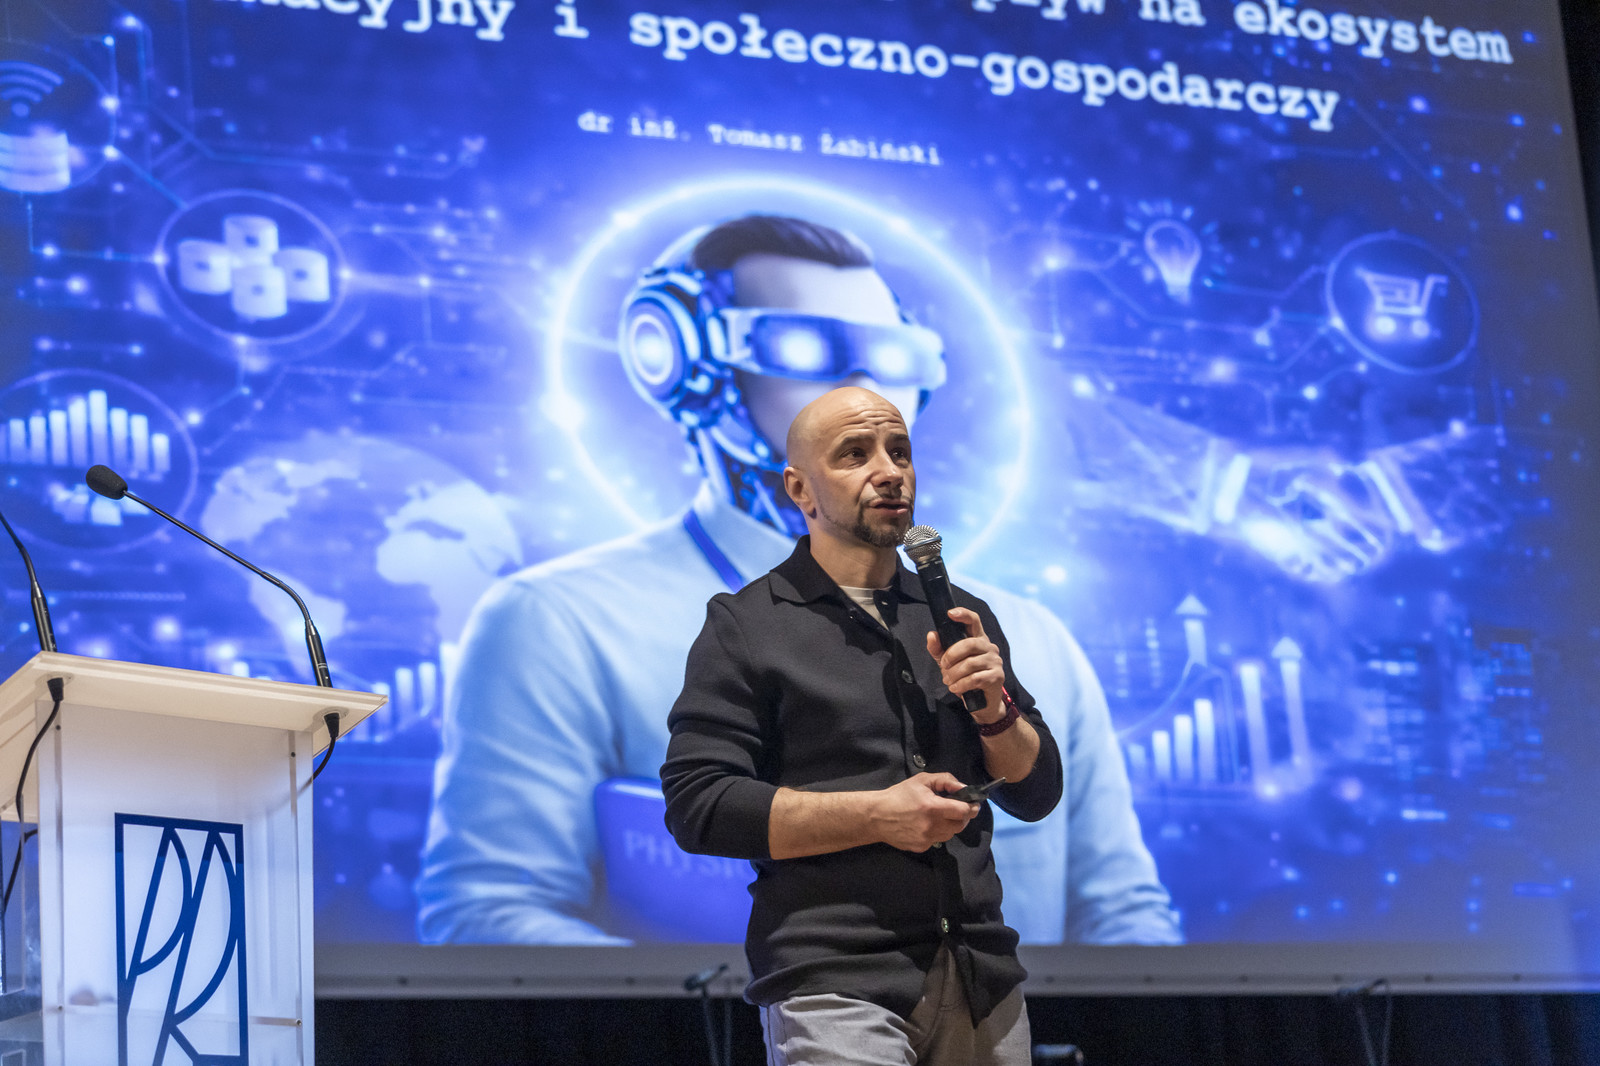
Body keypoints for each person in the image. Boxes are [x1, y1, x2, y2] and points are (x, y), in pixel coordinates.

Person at [416, 213, 1179, 946]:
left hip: (984, 1002)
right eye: (806, 345)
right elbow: (488, 912)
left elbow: (1124, 916)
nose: (865, 387)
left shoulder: (1026, 635)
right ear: (688, 366)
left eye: (893, 355)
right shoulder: (558, 623)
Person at [661, 386, 1052, 1064]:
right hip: (834, 980)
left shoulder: (958, 613)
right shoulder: (747, 624)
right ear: (799, 489)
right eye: (855, 454)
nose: (889, 471)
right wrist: (879, 815)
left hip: (980, 976)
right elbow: (701, 806)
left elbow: (1037, 791)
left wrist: (997, 711)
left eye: (900, 451)